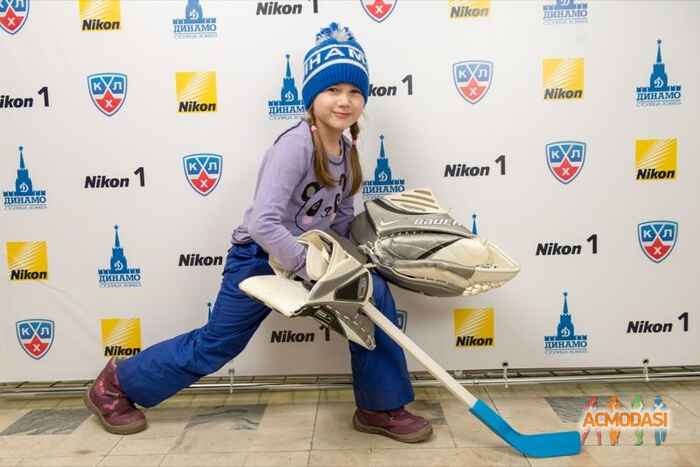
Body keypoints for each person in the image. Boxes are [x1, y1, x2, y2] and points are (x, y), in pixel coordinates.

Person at [83, 22, 433, 444]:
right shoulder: (295, 146)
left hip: (309, 259)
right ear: (312, 97)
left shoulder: (348, 149)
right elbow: (264, 222)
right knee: (217, 345)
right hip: (259, 258)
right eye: (333, 90)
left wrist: (353, 259)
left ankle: (380, 407)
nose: (345, 100)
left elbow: (340, 216)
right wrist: (309, 267)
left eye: (355, 92)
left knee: (373, 297)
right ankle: (116, 384)